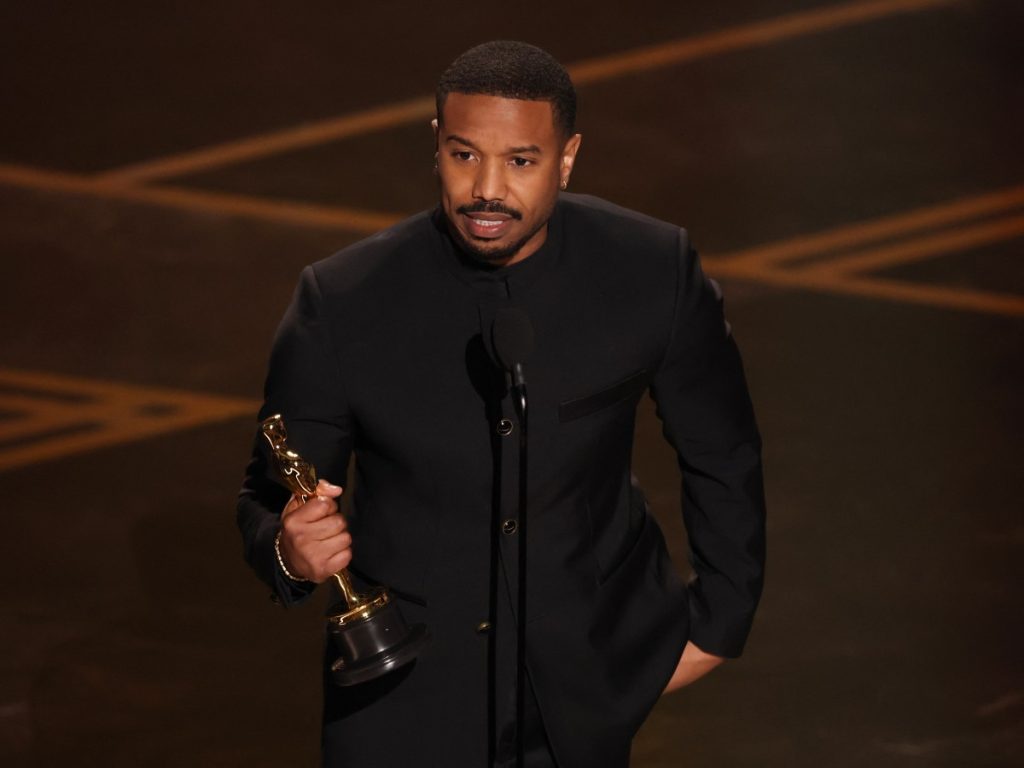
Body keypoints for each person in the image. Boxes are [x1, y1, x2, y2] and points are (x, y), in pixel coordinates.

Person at [237, 40, 765, 768]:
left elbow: (722, 451)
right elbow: (271, 495)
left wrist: (719, 624)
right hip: (405, 697)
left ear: (568, 157)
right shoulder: (344, 302)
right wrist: (291, 553)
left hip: (583, 681)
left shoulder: (651, 271)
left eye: (520, 161)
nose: (487, 189)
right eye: (463, 156)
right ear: (436, 145)